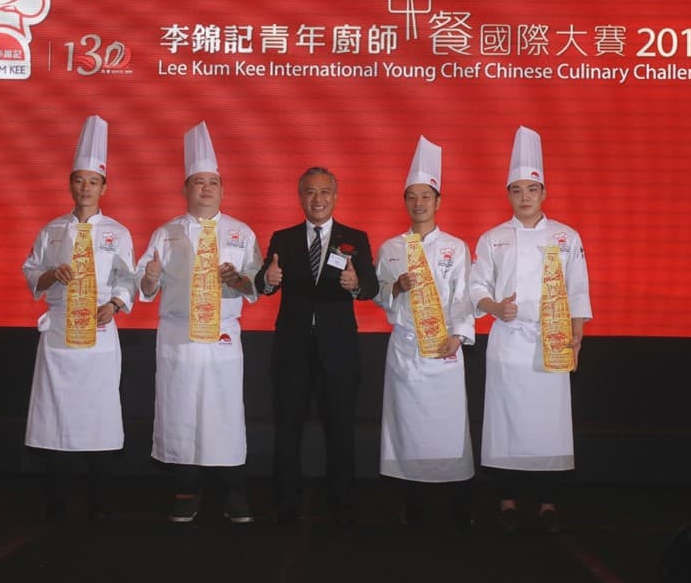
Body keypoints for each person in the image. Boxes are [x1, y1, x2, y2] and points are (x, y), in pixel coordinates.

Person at [137, 121, 262, 525]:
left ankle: (235, 494)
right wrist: (152, 277)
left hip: (223, 338)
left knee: (224, 416)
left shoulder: (241, 233)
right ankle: (185, 492)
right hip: (178, 338)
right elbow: (145, 284)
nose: (206, 189)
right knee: (181, 414)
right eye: (198, 182)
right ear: (185, 189)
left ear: (222, 190)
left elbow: (255, 285)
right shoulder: (166, 233)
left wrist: (239, 280)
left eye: (213, 182)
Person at [469, 125, 592, 534]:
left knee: (549, 425)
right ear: (508, 194)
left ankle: (548, 502)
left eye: (532, 189)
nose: (524, 197)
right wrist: (493, 307)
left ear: (544, 193)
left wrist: (576, 337)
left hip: (551, 340)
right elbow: (476, 286)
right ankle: (506, 500)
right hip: (507, 343)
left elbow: (577, 288)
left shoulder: (566, 237)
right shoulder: (493, 238)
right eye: (517, 190)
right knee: (505, 423)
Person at [22, 115, 136, 521]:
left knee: (99, 416)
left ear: (104, 187)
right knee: (54, 417)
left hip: (100, 338)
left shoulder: (118, 232)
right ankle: (54, 503)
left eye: (93, 181)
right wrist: (52, 274)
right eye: (79, 180)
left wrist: (116, 304)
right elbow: (31, 272)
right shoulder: (51, 231)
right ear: (70, 184)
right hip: (58, 338)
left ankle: (99, 505)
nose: (85, 188)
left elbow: (129, 278)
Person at [255, 166, 379, 525]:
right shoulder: (284, 238)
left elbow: (370, 287)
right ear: (300, 197)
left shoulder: (355, 237)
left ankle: (341, 504)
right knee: (288, 429)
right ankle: (285, 503)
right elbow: (266, 282)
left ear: (336, 197)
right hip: (292, 350)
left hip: (338, 350)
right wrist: (267, 279)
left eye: (325, 191)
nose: (318, 198)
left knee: (340, 430)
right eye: (310, 192)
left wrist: (355, 284)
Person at [373, 137, 476, 528]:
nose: (418, 203)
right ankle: (411, 505)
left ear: (438, 201)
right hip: (406, 350)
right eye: (411, 197)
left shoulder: (456, 247)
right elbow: (380, 296)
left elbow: (464, 296)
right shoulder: (391, 248)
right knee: (407, 429)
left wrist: (460, 335)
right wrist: (396, 288)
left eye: (426, 196)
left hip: (444, 351)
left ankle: (457, 507)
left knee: (449, 428)